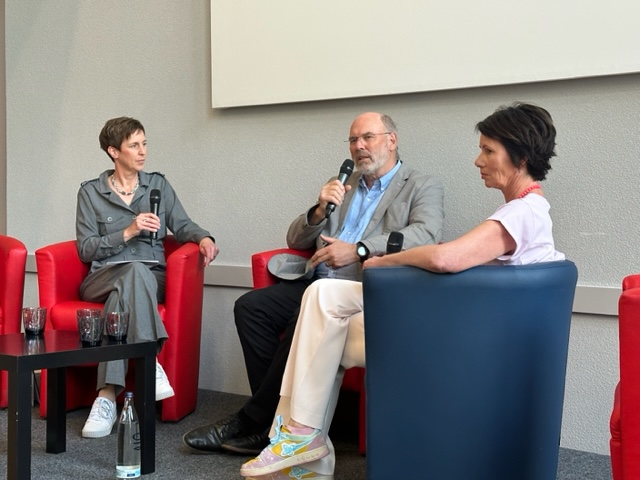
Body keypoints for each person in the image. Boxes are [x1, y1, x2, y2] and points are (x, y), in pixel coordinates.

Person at [239, 102, 565, 479]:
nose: (478, 160)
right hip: (460, 320)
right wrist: (320, 209)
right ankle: (302, 439)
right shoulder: (525, 211)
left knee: (324, 321)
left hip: (462, 335)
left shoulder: (521, 213)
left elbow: (445, 257)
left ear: (520, 157)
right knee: (321, 299)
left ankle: (303, 445)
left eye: (488, 151)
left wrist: (380, 259)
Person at [183, 112, 445, 461]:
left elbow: (425, 234)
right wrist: (320, 210)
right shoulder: (343, 185)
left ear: (391, 140)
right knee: (250, 307)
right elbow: (296, 239)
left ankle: (252, 421)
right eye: (353, 140)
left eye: (367, 137)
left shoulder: (421, 185)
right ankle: (274, 423)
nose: (359, 147)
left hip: (362, 288)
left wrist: (358, 249)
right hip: (316, 280)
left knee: (301, 320)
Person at [77, 117, 219, 438]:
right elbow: (86, 249)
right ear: (114, 151)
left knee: (132, 283)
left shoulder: (158, 185)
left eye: (144, 144)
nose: (143, 152)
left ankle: (106, 397)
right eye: (134, 145)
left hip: (153, 277)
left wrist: (204, 238)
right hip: (103, 276)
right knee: (131, 273)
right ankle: (149, 360)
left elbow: (183, 224)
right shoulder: (90, 192)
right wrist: (128, 231)